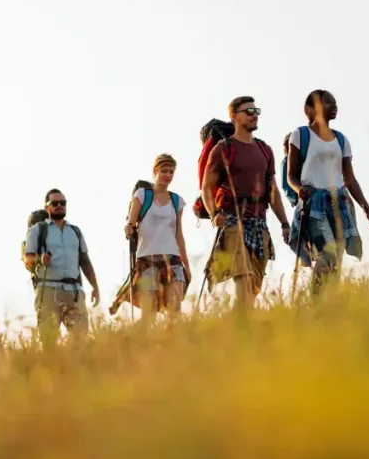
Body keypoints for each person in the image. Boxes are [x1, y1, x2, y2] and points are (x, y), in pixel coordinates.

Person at [285, 89, 369, 295]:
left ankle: (330, 307)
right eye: (327, 102)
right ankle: (315, 303)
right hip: (314, 204)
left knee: (336, 258)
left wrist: (367, 209)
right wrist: (300, 190)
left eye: (335, 102)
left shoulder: (341, 140)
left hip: (340, 203)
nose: (334, 105)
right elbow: (291, 175)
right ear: (308, 110)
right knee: (327, 254)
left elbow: (349, 178)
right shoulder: (300, 135)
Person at [201, 95, 291, 309]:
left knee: (253, 290)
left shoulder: (264, 150)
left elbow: (273, 190)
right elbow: (207, 187)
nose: (254, 116)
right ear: (233, 116)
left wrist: (285, 223)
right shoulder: (223, 149)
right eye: (248, 112)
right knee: (244, 278)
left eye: (256, 111)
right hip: (233, 222)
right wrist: (214, 215)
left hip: (259, 223)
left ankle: (239, 330)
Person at [23, 188, 100, 347]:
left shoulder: (75, 231)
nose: (59, 206)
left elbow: (84, 260)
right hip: (49, 289)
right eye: (55, 203)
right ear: (47, 208)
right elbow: (27, 258)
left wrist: (95, 286)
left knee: (81, 340)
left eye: (62, 203)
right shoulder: (37, 230)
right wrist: (39, 259)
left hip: (74, 291)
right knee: (49, 342)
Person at [122, 154, 191, 319]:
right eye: (164, 171)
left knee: (174, 310)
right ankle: (142, 342)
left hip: (173, 259)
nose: (168, 176)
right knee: (149, 314)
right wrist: (129, 230)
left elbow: (178, 233)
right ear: (155, 171)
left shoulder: (177, 201)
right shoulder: (142, 195)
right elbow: (131, 223)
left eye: (171, 172)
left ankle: (173, 342)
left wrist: (186, 264)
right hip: (147, 259)